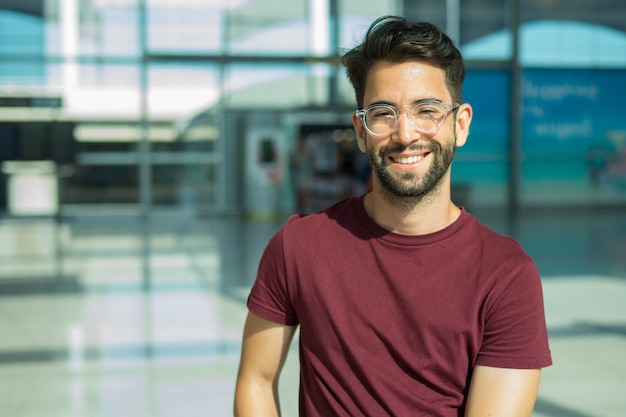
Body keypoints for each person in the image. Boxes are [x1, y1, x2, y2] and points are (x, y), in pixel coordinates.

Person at [234, 15, 552, 417]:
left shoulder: (506, 275)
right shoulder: (298, 246)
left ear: (461, 124)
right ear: (361, 131)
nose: (405, 134)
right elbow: (256, 381)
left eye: (427, 110)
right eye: (383, 113)